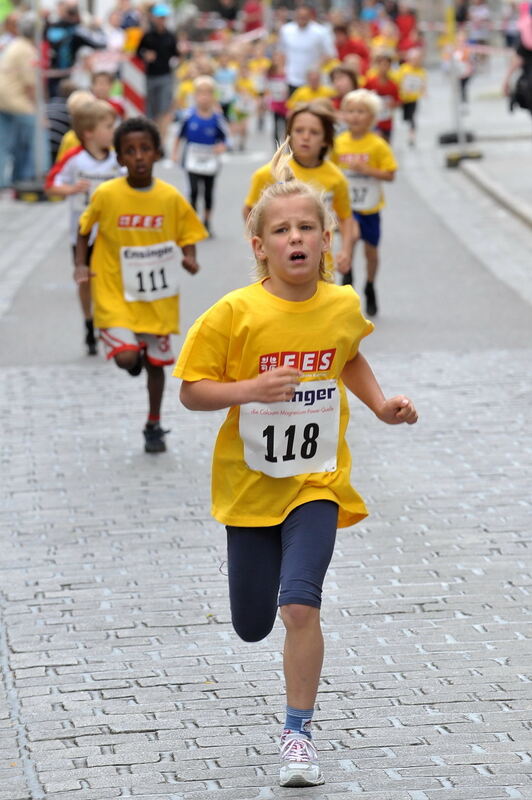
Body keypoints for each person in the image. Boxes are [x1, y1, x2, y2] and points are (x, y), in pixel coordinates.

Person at [173, 142, 418, 789]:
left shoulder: (339, 305)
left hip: (316, 482)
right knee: (253, 625)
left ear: (325, 236)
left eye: (306, 227)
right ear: (260, 246)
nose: (295, 237)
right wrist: (247, 391)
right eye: (281, 230)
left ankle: (297, 735)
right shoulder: (233, 315)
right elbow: (191, 391)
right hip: (249, 487)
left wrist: (381, 405)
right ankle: (264, 625)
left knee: (300, 607)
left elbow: (350, 357)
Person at [75, 117, 208, 452]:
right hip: (113, 290)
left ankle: (153, 423)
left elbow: (187, 233)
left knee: (157, 365)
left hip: (155, 297)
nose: (138, 157)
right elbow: (84, 229)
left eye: (145, 149)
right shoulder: (107, 194)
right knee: (128, 357)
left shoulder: (170, 198)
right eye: (129, 151)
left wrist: (189, 257)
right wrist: (80, 265)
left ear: (157, 153)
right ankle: (131, 360)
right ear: (118, 158)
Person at [243, 101, 358, 278]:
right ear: (289, 134)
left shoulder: (336, 177)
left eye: (314, 132)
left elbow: (345, 218)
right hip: (278, 267)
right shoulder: (269, 173)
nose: (305, 137)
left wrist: (346, 251)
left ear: (326, 139)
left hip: (321, 269)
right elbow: (250, 209)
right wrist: (263, 243)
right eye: (299, 131)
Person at [46, 100, 122, 356]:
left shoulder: (117, 158)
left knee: (111, 279)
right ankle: (89, 322)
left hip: (112, 233)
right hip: (82, 233)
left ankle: (108, 323)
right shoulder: (74, 159)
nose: (114, 132)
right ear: (89, 132)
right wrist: (70, 189)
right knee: (85, 280)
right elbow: (51, 184)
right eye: (109, 127)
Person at [332, 89, 397, 316]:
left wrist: (367, 170)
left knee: (371, 252)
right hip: (347, 206)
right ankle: (347, 277)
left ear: (372, 117)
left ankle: (370, 285)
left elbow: (391, 174)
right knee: (352, 235)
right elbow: (329, 170)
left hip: (370, 205)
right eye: (350, 111)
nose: (355, 117)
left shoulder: (377, 145)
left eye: (361, 112)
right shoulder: (338, 143)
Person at [173, 75, 228, 235]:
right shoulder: (188, 116)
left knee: (208, 192)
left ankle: (207, 221)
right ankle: (193, 221)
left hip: (210, 160)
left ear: (213, 96)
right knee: (194, 190)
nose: (204, 97)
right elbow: (179, 135)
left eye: (208, 93)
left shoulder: (217, 118)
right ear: (195, 96)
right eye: (201, 93)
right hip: (192, 159)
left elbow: (226, 138)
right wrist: (175, 153)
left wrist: (221, 146)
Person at [0, 13, 41, 188]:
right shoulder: (27, 50)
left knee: (4, 143)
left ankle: (4, 181)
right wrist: (38, 109)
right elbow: (30, 84)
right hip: (17, 101)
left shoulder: (14, 44)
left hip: (4, 98)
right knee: (33, 139)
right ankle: (26, 178)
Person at [136, 4, 178, 144]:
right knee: (150, 110)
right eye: (159, 17)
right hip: (150, 76)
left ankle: (160, 142)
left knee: (164, 111)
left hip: (165, 75)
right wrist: (145, 54)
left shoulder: (170, 36)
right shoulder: (147, 36)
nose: (161, 20)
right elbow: (138, 52)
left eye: (163, 18)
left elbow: (176, 54)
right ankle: (151, 140)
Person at [279, 4, 336, 95]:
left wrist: (316, 67)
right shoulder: (286, 30)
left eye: (304, 17)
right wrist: (282, 69)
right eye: (299, 16)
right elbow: (281, 52)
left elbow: (330, 54)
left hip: (312, 81)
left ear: (310, 16)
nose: (301, 19)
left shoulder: (320, 32)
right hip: (291, 78)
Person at [364, 52, 400, 142]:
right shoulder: (370, 82)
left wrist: (393, 104)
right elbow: (363, 96)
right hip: (373, 121)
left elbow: (398, 101)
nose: (384, 68)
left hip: (387, 120)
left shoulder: (393, 85)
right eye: (381, 65)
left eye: (386, 65)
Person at [394, 47, 426, 146]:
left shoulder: (421, 72)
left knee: (412, 117)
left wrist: (423, 92)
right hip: (402, 98)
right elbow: (396, 81)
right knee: (404, 118)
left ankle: (411, 135)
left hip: (413, 99)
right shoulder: (404, 69)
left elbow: (423, 84)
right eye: (413, 59)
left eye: (417, 59)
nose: (415, 62)